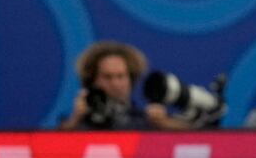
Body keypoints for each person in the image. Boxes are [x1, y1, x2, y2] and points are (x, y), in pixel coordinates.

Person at [59, 41, 190, 131]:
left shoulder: (145, 120)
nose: (115, 83)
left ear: (131, 79)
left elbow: (198, 140)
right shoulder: (75, 122)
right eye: (107, 77)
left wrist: (165, 124)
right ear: (91, 80)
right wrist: (75, 120)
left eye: (120, 76)